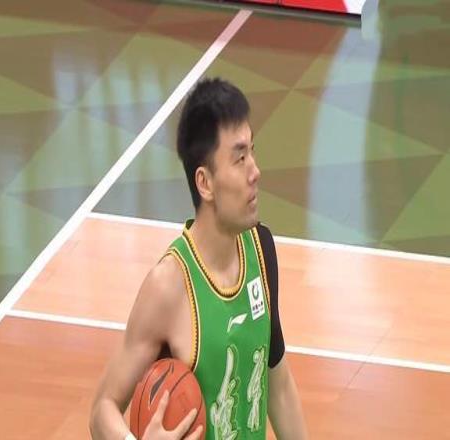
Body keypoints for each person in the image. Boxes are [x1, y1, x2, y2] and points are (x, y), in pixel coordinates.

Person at [90, 78, 308, 440]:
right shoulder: (169, 286)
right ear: (205, 183)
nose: (255, 172)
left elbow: (278, 384)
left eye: (252, 152)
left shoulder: (261, 250)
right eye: (240, 158)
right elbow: (102, 410)